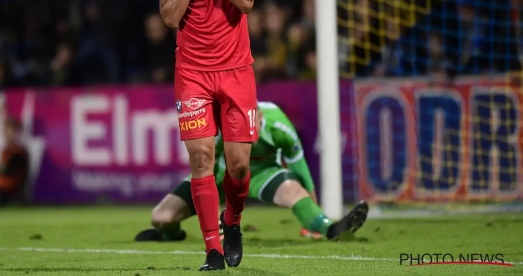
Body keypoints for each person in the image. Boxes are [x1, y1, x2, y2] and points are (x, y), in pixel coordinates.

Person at [157, 0, 258, 271]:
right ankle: (212, 250)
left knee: (238, 167)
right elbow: (170, 17)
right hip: (193, 73)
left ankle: (231, 221)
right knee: (201, 159)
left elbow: (246, 1)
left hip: (236, 70)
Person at [135, 102, 369, 243]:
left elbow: (300, 169)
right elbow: (205, 172)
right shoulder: (219, 126)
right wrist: (216, 220)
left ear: (260, 117)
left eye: (252, 127)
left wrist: (313, 215)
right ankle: (172, 234)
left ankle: (331, 229)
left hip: (261, 173)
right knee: (161, 217)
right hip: (219, 176)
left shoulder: (279, 126)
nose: (247, 134)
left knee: (294, 191)